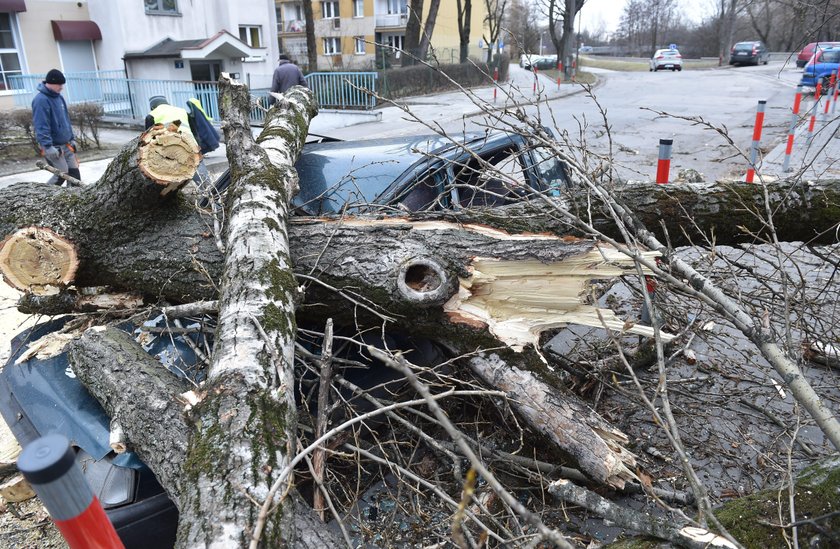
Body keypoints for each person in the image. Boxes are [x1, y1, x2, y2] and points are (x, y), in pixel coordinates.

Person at [145, 95, 215, 194]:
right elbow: (194, 132)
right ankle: (212, 198)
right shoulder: (182, 111)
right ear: (167, 103)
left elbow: (148, 140)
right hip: (190, 145)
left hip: (168, 149)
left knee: (166, 180)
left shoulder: (151, 115)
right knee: (202, 178)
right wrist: (199, 150)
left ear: (152, 107)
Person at [32, 69, 80, 186]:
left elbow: (65, 120)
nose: (61, 87)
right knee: (62, 174)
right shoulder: (41, 100)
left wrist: (72, 138)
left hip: (67, 144)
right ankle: (43, 196)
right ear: (51, 83)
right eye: (59, 84)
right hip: (53, 147)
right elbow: (41, 125)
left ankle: (74, 198)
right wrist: (48, 146)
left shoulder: (59, 97)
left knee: (74, 174)